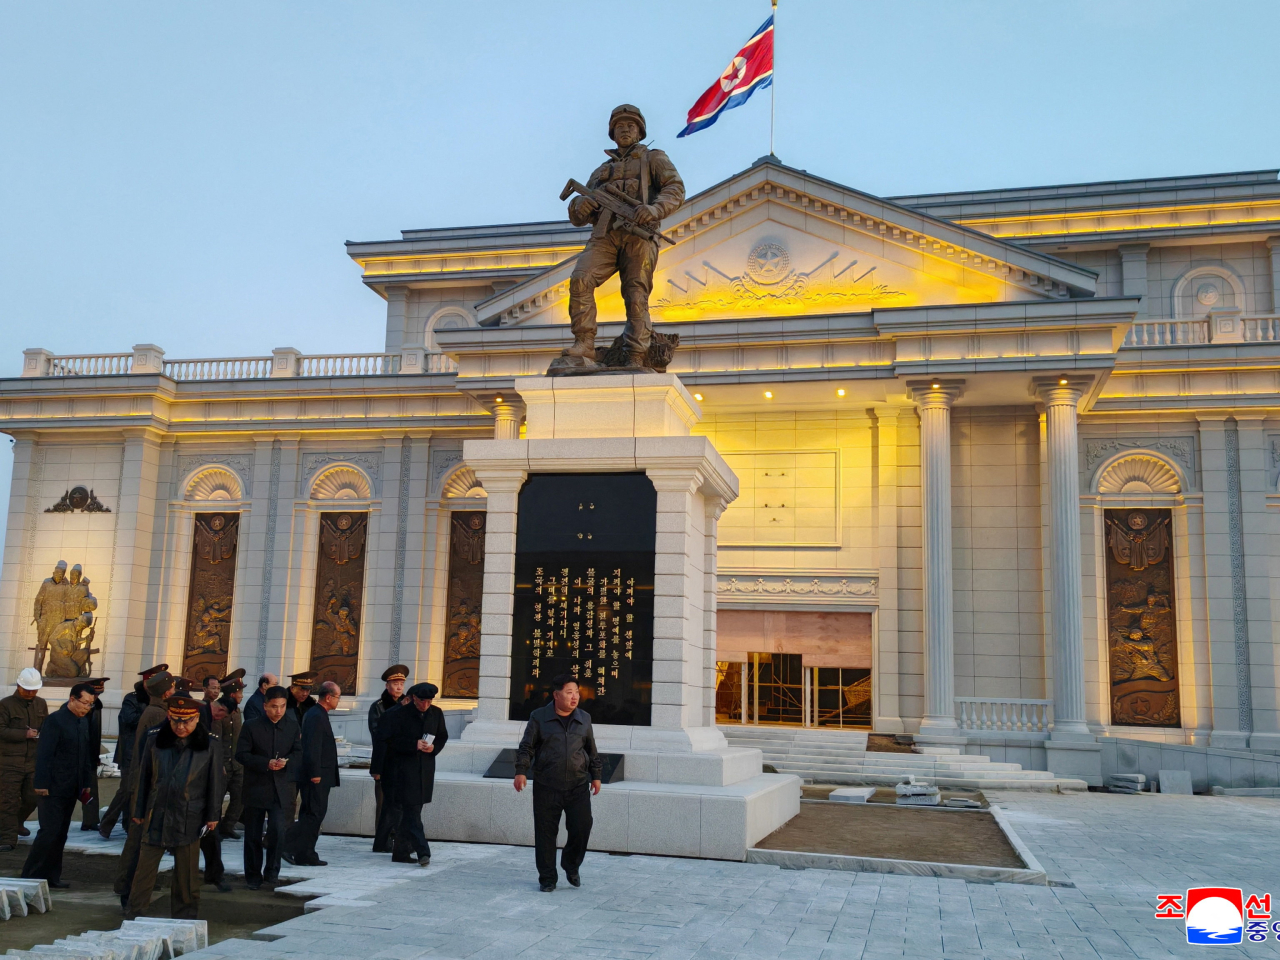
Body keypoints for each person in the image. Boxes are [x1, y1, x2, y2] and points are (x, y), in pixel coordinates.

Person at [561, 104, 685, 369]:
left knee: (635, 294)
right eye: (620, 126)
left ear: (640, 131)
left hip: (638, 236)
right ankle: (584, 343)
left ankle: (636, 354)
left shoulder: (654, 159)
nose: (625, 129)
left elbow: (675, 188)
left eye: (631, 125)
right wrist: (579, 205)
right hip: (605, 235)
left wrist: (653, 209)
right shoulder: (600, 171)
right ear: (612, 133)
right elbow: (579, 214)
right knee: (581, 278)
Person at [125, 695, 223, 920]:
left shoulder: (209, 744)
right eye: (176, 720)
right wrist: (139, 811)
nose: (180, 726)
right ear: (169, 717)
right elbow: (144, 778)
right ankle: (134, 914)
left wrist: (212, 815)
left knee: (186, 875)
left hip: (189, 816)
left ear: (196, 718)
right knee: (144, 870)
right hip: (157, 813)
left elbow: (215, 783)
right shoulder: (155, 740)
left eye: (186, 721)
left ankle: (185, 918)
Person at [514, 674, 602, 893]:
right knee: (545, 833)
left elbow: (591, 749)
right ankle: (547, 877)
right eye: (569, 692)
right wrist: (521, 771)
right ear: (556, 694)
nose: (575, 697)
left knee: (582, 827)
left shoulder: (584, 718)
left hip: (578, 784)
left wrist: (596, 775)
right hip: (547, 784)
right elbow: (527, 746)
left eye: (577, 693)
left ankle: (571, 865)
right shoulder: (539, 717)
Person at [21, 682, 97, 889]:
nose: (87, 707)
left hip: (72, 786)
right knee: (49, 831)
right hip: (52, 787)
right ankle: (30, 877)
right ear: (72, 699)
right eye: (84, 703)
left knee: (61, 833)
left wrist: (86, 783)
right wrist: (41, 783)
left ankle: (52, 876)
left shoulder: (83, 722)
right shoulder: (55, 721)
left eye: (91, 704)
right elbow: (44, 754)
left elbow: (85, 755)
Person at [113, 670, 175, 909]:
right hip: (147, 789)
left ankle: (129, 889)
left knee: (139, 843)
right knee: (139, 844)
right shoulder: (157, 714)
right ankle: (128, 890)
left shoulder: (153, 710)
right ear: (168, 692)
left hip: (145, 786)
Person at [372, 682, 447, 866]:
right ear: (414, 698)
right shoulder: (399, 714)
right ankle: (423, 851)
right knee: (412, 812)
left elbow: (442, 735)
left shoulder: (436, 713)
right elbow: (388, 740)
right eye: (423, 701)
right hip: (404, 771)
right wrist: (413, 745)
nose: (426, 705)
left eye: (429, 701)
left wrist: (434, 748)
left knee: (411, 813)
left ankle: (401, 852)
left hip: (425, 771)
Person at [236, 685, 300, 889]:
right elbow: (242, 755)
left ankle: (272, 873)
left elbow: (299, 752)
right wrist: (265, 763)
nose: (278, 711)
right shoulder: (251, 726)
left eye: (282, 706)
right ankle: (253, 876)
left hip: (281, 789)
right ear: (265, 706)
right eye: (274, 707)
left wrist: (287, 761)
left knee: (278, 832)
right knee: (253, 835)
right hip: (256, 787)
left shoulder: (291, 726)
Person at [99, 664, 167, 839]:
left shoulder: (161, 702)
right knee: (128, 789)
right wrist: (149, 713)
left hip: (149, 752)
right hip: (131, 752)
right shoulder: (133, 699)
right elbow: (128, 719)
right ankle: (106, 824)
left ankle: (129, 824)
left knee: (141, 789)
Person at [283, 680, 339, 867]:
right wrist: (315, 772)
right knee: (313, 814)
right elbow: (312, 747)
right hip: (317, 775)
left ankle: (305, 853)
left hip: (321, 774)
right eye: (337, 697)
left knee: (313, 814)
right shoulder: (316, 715)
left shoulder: (318, 713)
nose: (338, 701)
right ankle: (284, 844)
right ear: (329, 697)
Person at [0, 668, 48, 852]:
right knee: (8, 800)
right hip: (8, 762)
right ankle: (7, 838)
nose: (30, 693)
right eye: (27, 689)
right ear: (19, 685)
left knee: (33, 797)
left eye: (34, 690)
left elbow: (46, 725)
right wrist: (24, 734)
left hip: (33, 761)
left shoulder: (41, 704)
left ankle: (17, 822)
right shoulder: (5, 705)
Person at [368, 663, 408, 852]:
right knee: (383, 803)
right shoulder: (378, 707)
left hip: (403, 764)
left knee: (401, 804)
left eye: (401, 683)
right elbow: (378, 737)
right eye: (395, 683)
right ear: (387, 686)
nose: (399, 687)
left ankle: (397, 838)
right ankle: (382, 840)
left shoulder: (408, 705)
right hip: (385, 763)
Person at [217, 673, 246, 839]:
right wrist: (219, 763)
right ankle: (213, 830)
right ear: (232, 694)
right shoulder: (220, 710)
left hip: (236, 763)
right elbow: (217, 740)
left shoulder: (237, 711)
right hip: (223, 763)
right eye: (240, 693)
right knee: (218, 798)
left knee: (240, 797)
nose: (242, 696)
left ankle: (227, 825)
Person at [78, 677, 108, 832]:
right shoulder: (76, 707)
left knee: (90, 788)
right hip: (75, 754)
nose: (96, 697)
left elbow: (94, 735)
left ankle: (90, 821)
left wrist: (95, 756)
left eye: (98, 694)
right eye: (93, 693)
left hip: (89, 754)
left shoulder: (96, 707)